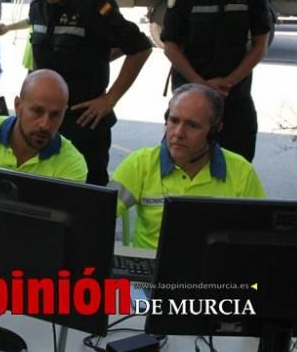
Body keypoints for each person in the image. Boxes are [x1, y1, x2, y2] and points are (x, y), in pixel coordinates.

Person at [27, 0, 152, 186]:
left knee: (87, 198)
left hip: (83, 124)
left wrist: (109, 99)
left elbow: (140, 47)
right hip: (45, 123)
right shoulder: (37, 7)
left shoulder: (94, 6)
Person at [160, 0, 271, 162]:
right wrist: (201, 85)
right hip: (190, 96)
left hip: (233, 96)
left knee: (237, 164)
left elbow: (261, 44)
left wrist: (228, 82)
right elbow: (170, 46)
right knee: (179, 161)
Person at [110, 84, 265, 249]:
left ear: (214, 131)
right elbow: (97, 217)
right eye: (174, 121)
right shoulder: (140, 163)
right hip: (152, 268)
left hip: (213, 269)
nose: (178, 133)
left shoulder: (241, 172)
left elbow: (259, 237)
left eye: (192, 125)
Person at [0, 69, 87, 182]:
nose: (45, 125)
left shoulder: (72, 165)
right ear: (18, 106)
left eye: (55, 115)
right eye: (37, 111)